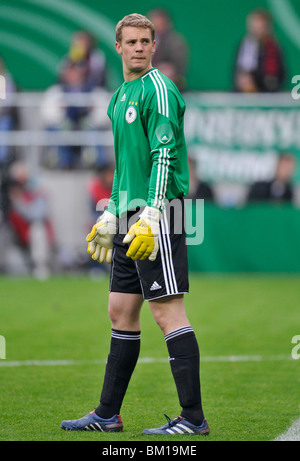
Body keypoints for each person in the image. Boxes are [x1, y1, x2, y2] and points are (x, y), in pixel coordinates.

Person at [61, 13, 209, 436]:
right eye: (132, 42)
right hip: (130, 213)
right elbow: (127, 165)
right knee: (121, 311)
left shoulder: (159, 90)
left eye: (147, 41)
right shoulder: (120, 95)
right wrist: (112, 211)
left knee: (167, 312)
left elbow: (164, 157)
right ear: (119, 47)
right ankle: (107, 414)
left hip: (158, 215)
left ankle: (194, 418)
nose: (140, 47)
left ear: (154, 46)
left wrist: (152, 214)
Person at [233, 9, 285, 93]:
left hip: (268, 94)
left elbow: (279, 76)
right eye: (255, 26)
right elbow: (237, 71)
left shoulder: (274, 48)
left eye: (261, 26)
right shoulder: (244, 45)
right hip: (243, 95)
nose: (257, 29)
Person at [147, 8, 188, 92]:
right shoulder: (143, 40)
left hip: (165, 81)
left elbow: (178, 66)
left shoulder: (175, 42)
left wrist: (161, 69)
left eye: (159, 22)